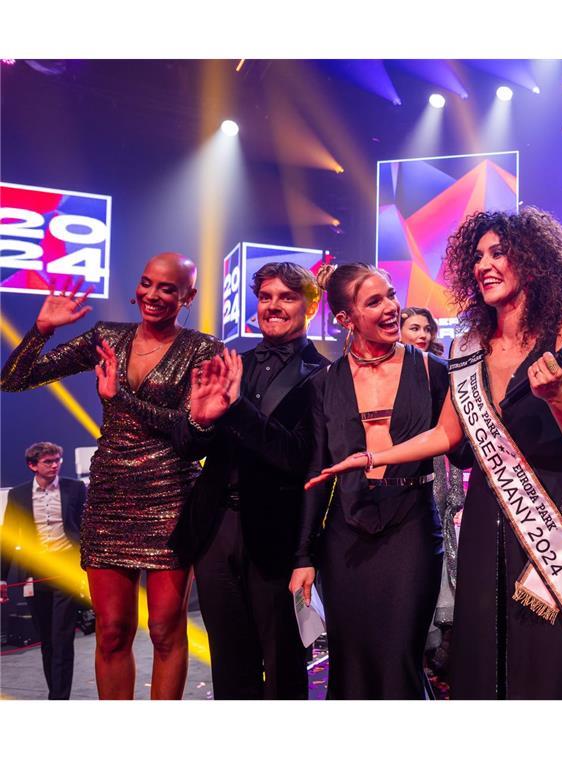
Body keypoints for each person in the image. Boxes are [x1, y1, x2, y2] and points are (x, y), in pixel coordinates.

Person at [307, 207, 562, 699]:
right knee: (482, 653)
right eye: (477, 256)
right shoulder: (469, 345)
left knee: (545, 658)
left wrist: (556, 396)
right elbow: (447, 435)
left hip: (547, 516)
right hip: (484, 517)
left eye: (498, 253)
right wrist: (373, 458)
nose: (483, 265)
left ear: (532, 262)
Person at [1, 253, 221, 699]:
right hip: (110, 498)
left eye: (168, 288)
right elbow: (14, 379)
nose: (153, 295)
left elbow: (189, 431)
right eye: (147, 283)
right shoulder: (107, 337)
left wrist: (120, 397)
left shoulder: (203, 348)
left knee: (164, 628)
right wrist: (41, 331)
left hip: (170, 499)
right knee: (113, 630)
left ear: (188, 297)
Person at [170, 262, 328, 699]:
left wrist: (238, 410)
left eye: (287, 297)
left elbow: (299, 458)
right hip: (216, 532)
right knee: (230, 663)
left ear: (309, 306)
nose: (273, 306)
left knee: (282, 666)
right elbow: (187, 446)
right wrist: (199, 422)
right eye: (266, 297)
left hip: (276, 538)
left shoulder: (323, 375)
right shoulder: (227, 362)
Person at [290, 261, 447, 699]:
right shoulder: (324, 384)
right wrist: (304, 555)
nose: (391, 307)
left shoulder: (433, 371)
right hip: (345, 538)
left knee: (400, 657)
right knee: (351, 661)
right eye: (374, 301)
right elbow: (317, 475)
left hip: (411, 529)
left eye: (391, 295)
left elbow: (460, 451)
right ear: (345, 319)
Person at [399, 304, 464, 673]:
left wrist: (453, 487)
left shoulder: (442, 372)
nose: (422, 335)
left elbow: (453, 436)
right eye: (414, 328)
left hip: (440, 468)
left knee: (445, 558)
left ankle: (443, 646)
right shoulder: (393, 374)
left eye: (427, 329)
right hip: (404, 471)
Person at [0, 442, 86, 699]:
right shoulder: (18, 494)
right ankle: (55, 694)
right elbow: (8, 537)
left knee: (61, 638)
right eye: (48, 461)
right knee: (47, 640)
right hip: (34, 574)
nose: (55, 465)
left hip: (65, 571)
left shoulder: (75, 488)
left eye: (57, 460)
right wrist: (1, 578)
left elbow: (84, 528)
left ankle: (59, 699)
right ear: (32, 465)